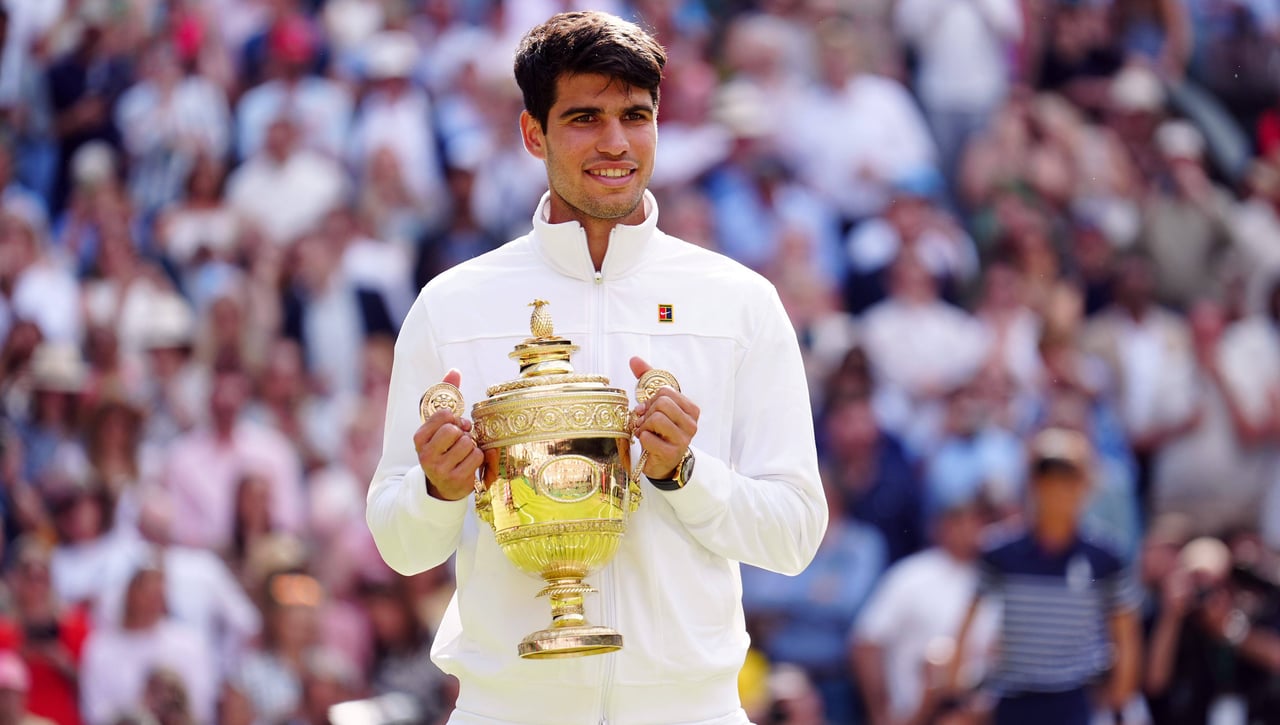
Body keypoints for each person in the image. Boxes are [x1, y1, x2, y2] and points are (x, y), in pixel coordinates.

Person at [365, 11, 827, 724]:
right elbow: (400, 545)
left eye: (634, 116)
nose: (615, 143)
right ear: (532, 133)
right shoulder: (451, 307)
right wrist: (436, 487)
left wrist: (685, 474)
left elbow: (795, 535)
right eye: (584, 117)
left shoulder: (740, 303)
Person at [948, 428, 1142, 725]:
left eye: (1066, 480)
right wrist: (959, 685)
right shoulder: (999, 552)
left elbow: (1125, 635)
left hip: (1077, 700)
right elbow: (967, 622)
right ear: (1031, 485)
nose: (1055, 491)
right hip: (1013, 698)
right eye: (1046, 480)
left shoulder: (1106, 558)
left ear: (1085, 485)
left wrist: (1119, 697)